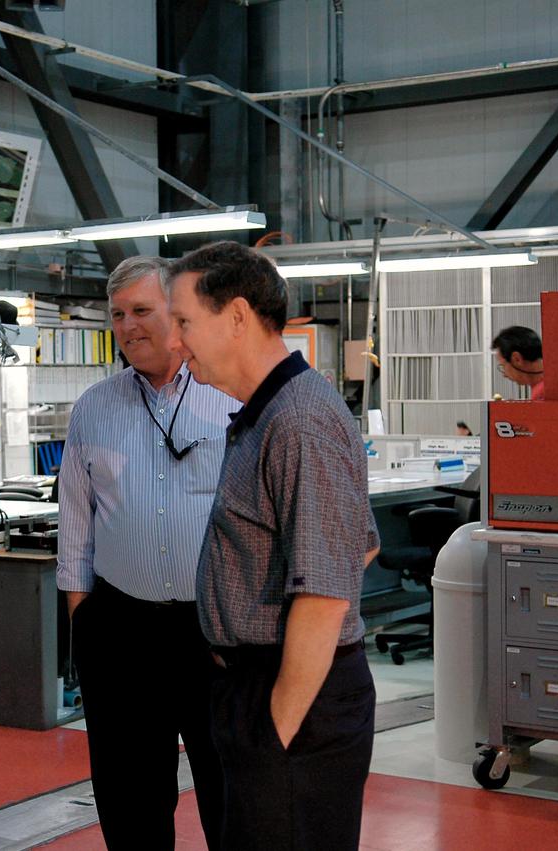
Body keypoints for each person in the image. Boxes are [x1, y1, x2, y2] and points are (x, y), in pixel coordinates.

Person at [166, 241, 379, 850]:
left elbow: (326, 594)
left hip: (291, 699)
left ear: (236, 316)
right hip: (258, 686)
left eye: (184, 322)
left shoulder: (298, 421)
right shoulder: (266, 414)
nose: (175, 341)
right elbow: (359, 545)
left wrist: (274, 732)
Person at [57, 256, 238, 850]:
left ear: (177, 314)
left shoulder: (228, 398)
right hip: (121, 628)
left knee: (230, 785)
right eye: (117, 315)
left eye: (141, 310)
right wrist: (83, 616)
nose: (128, 326)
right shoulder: (94, 406)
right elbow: (75, 522)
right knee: (129, 791)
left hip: (213, 629)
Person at [491, 325, 544, 400]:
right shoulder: (545, 386)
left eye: (503, 366)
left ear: (517, 359)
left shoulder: (542, 394)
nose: (504, 375)